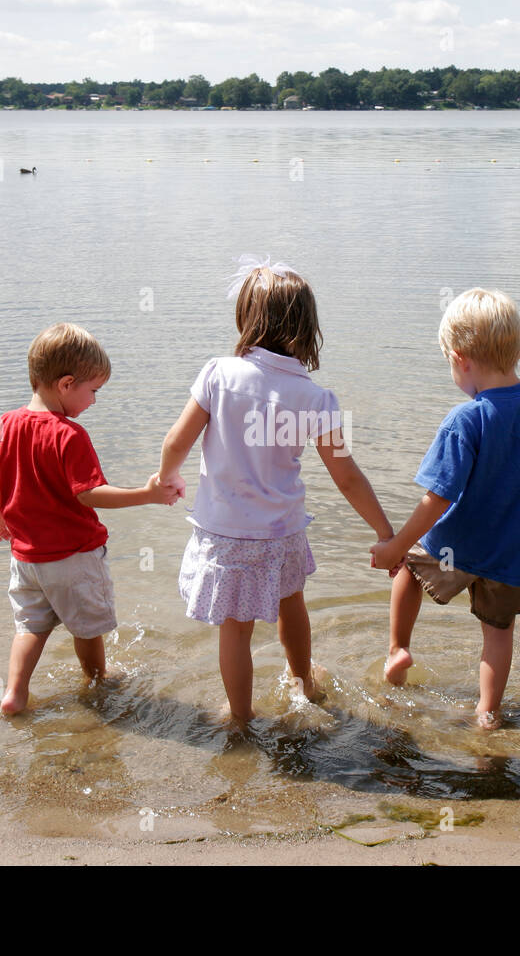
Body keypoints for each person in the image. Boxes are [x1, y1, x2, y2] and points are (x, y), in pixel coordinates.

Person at [158, 260, 395, 724]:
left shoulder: (218, 375)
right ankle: (303, 680)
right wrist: (385, 530)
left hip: (226, 532)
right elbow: (346, 476)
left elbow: (176, 441)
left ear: (248, 319)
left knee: (236, 629)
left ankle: (241, 717)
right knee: (292, 602)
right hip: (281, 531)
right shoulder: (314, 397)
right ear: (306, 327)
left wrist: (167, 478)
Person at [370, 288, 520, 730]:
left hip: (455, 543)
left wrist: (397, 544)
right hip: (513, 553)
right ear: (518, 349)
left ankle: (398, 648)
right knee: (498, 631)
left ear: (460, 359)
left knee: (407, 569)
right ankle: (487, 713)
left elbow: (437, 498)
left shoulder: (465, 420)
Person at [0, 323, 179, 716]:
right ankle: (97, 679)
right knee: (89, 628)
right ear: (67, 384)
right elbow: (88, 493)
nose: (94, 401)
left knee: (30, 627)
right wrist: (148, 495)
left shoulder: (5, 424)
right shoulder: (69, 435)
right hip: (73, 557)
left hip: (26, 560)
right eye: (93, 391)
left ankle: (15, 693)